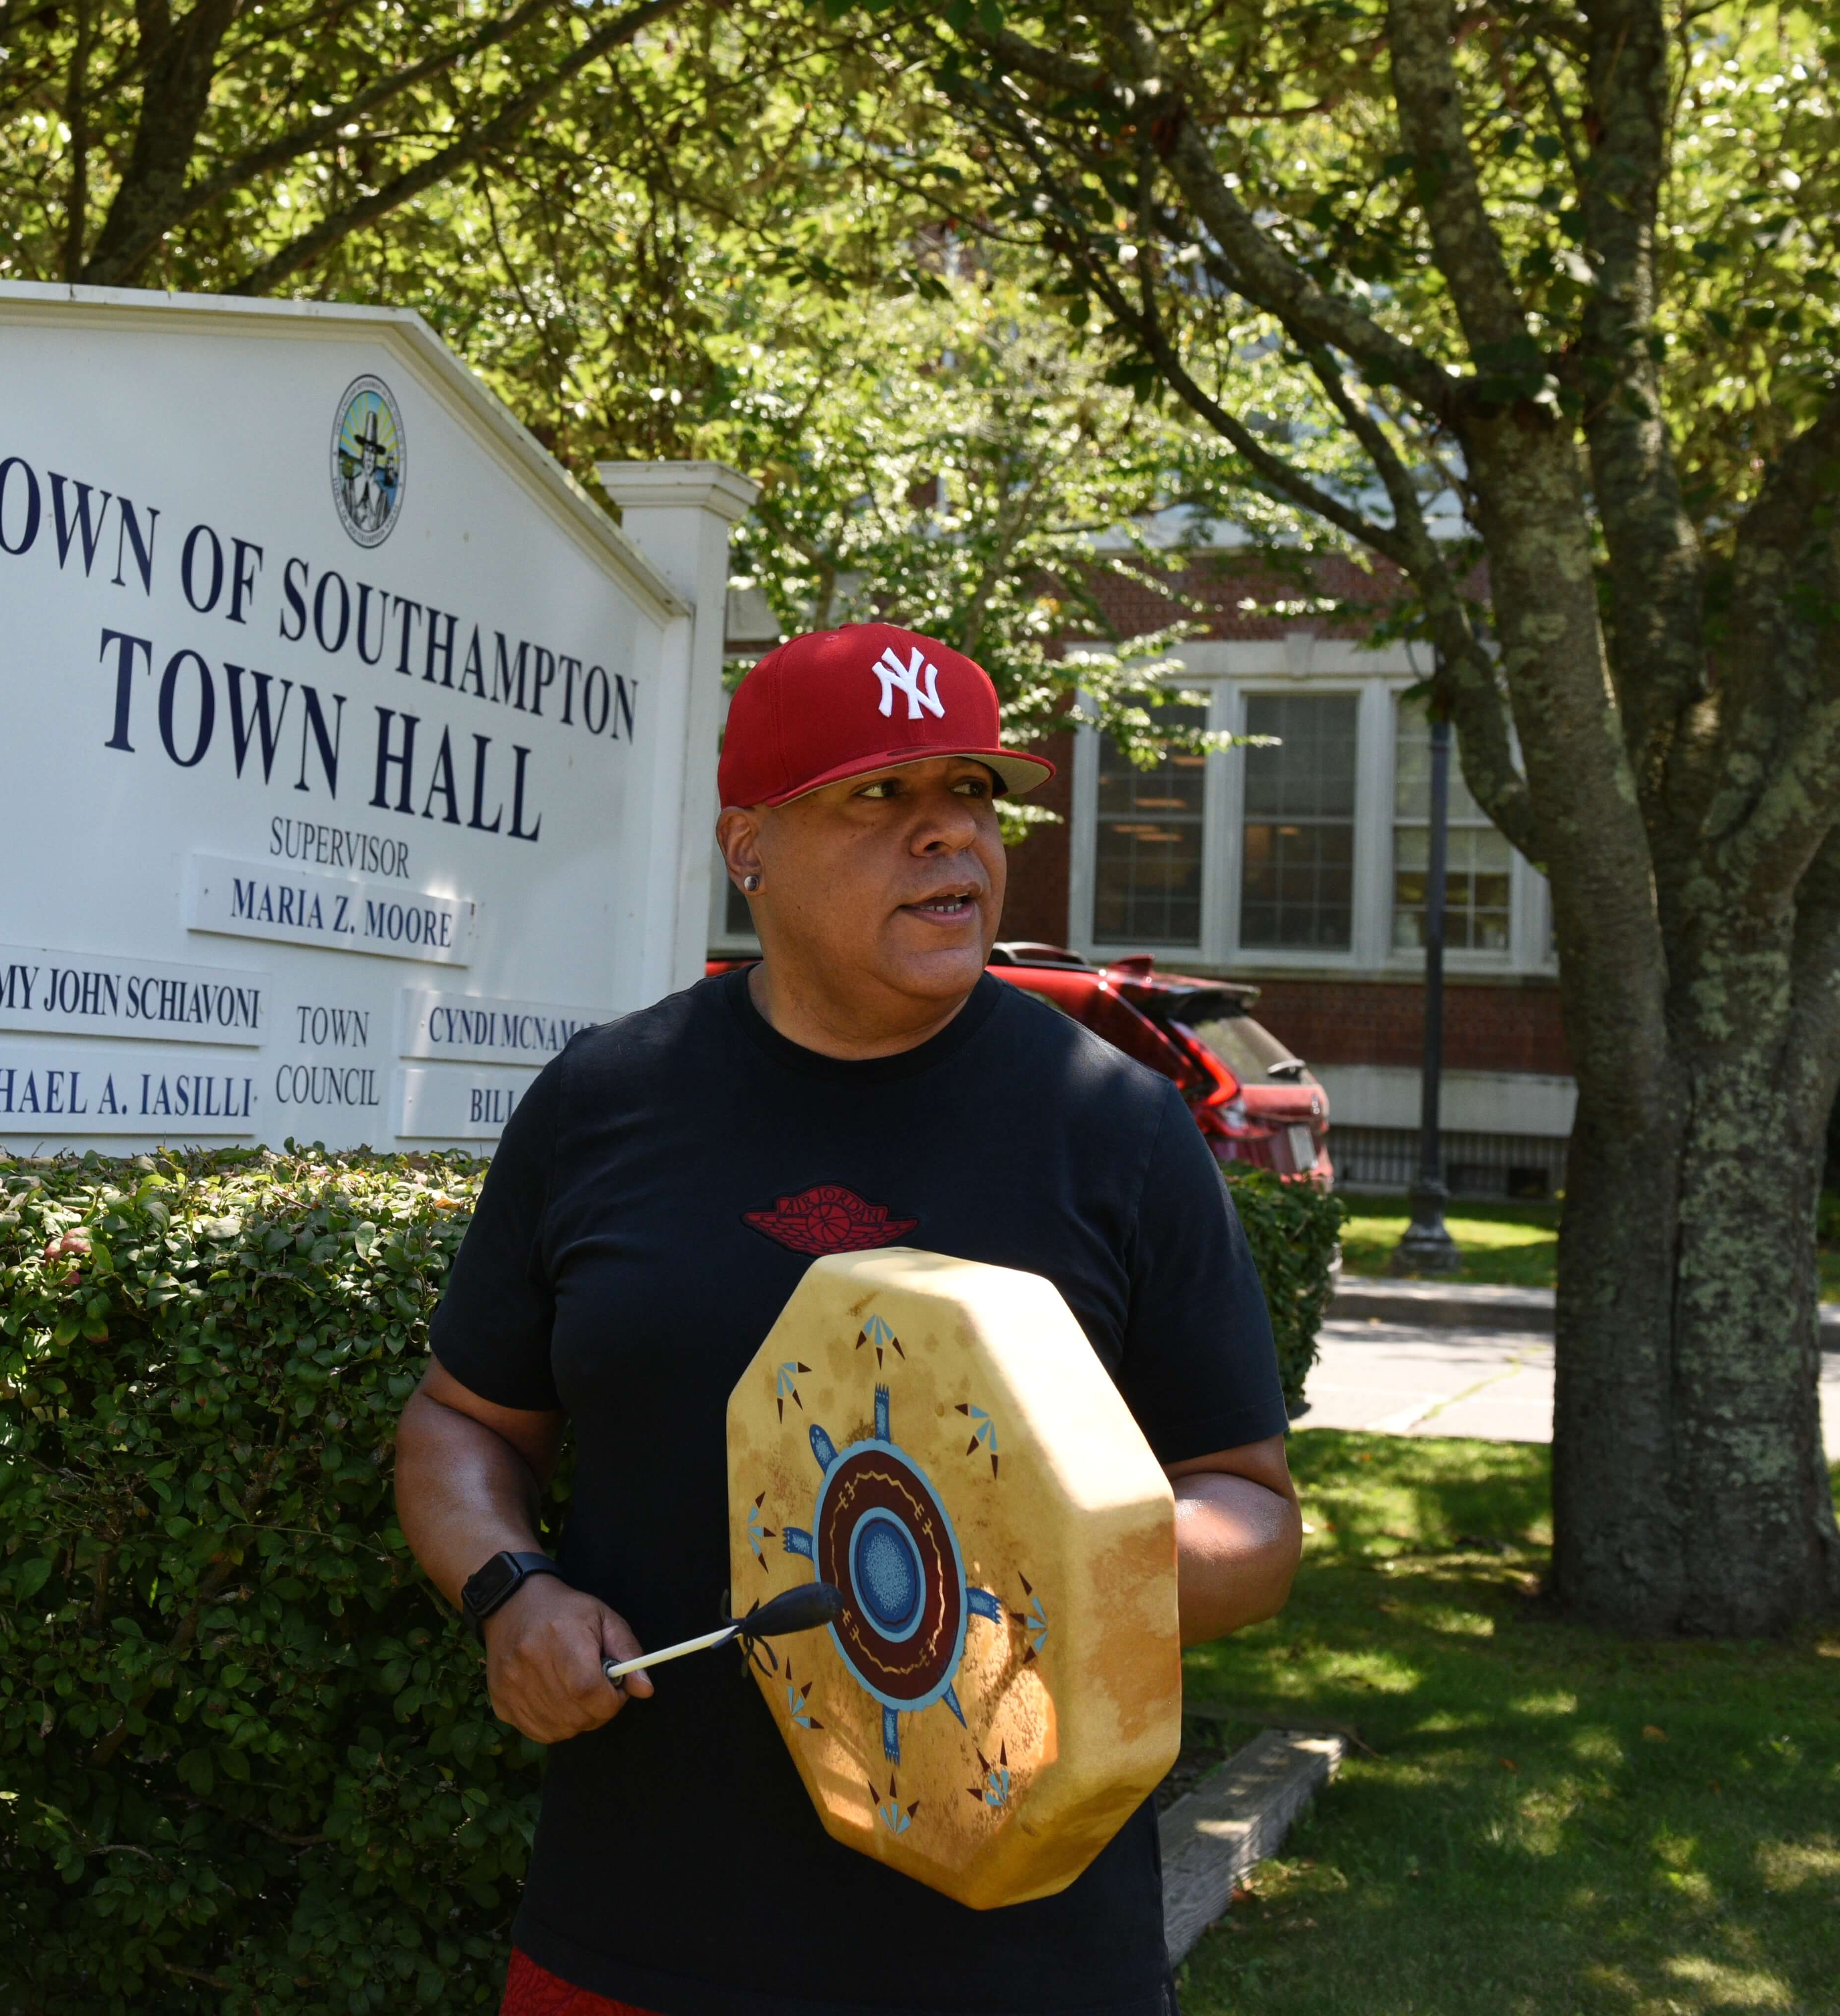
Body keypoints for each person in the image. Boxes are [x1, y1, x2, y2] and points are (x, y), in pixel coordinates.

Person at [396, 623, 1302, 2016]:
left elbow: (1247, 1514)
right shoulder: (602, 1103)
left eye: (971, 794)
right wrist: (508, 1591)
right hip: (640, 1930)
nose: (948, 837)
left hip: (1017, 1955)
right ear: (745, 845)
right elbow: (463, 1422)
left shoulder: (1111, 1129)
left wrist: (1067, 1557)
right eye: (879, 796)